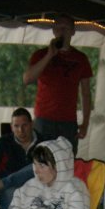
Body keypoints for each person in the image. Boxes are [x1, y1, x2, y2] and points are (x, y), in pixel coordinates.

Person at [23, 13, 93, 156]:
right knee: (41, 158)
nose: (62, 31)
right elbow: (27, 79)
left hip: (68, 121)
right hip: (44, 119)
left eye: (66, 28)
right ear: (53, 30)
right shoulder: (41, 54)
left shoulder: (80, 58)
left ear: (73, 31)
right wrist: (50, 55)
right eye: (58, 27)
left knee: (66, 160)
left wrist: (85, 123)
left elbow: (86, 93)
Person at [0, 107, 45, 209]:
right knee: (12, 193)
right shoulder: (2, 143)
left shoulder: (44, 143)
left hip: (38, 185)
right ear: (11, 127)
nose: (21, 130)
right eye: (16, 126)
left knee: (36, 166)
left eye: (24, 125)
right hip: (12, 188)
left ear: (31, 124)